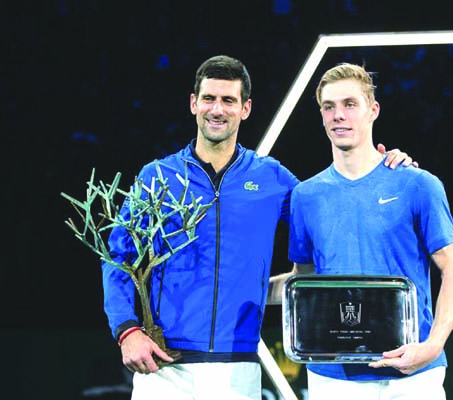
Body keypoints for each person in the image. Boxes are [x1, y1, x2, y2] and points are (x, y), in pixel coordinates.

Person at [102, 55, 416, 400]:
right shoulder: (156, 177)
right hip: (164, 369)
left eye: (228, 101)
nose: (217, 110)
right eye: (208, 99)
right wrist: (126, 328)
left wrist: (381, 168)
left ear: (245, 108)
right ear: (193, 103)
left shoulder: (271, 178)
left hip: (239, 371)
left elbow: (330, 202)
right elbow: (118, 258)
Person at [269, 62, 453, 399]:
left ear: (372, 110)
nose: (339, 115)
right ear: (321, 115)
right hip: (333, 378)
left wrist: (434, 345)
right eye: (329, 107)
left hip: (411, 374)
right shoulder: (305, 196)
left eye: (350, 105)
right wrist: (242, 288)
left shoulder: (417, 184)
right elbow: (303, 282)